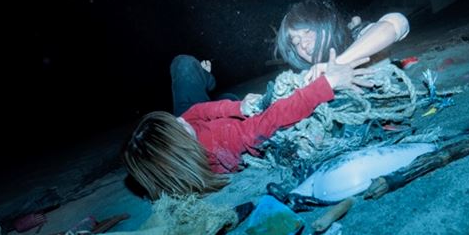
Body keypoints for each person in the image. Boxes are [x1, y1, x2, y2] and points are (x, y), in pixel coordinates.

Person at [123, 49, 373, 199]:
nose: (179, 119)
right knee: (229, 98)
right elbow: (271, 120)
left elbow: (194, 113)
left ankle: (207, 79)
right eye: (177, 125)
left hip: (204, 131)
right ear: (180, 148)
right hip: (222, 132)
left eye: (173, 120)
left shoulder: (180, 132)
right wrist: (327, 83)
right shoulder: (224, 141)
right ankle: (216, 88)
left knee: (183, 64)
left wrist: (237, 108)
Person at [275, 0, 410, 82]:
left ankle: (352, 24)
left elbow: (397, 22)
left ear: (326, 25)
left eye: (308, 31)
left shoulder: (358, 38)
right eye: (296, 42)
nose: (304, 44)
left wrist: (336, 65)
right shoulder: (309, 77)